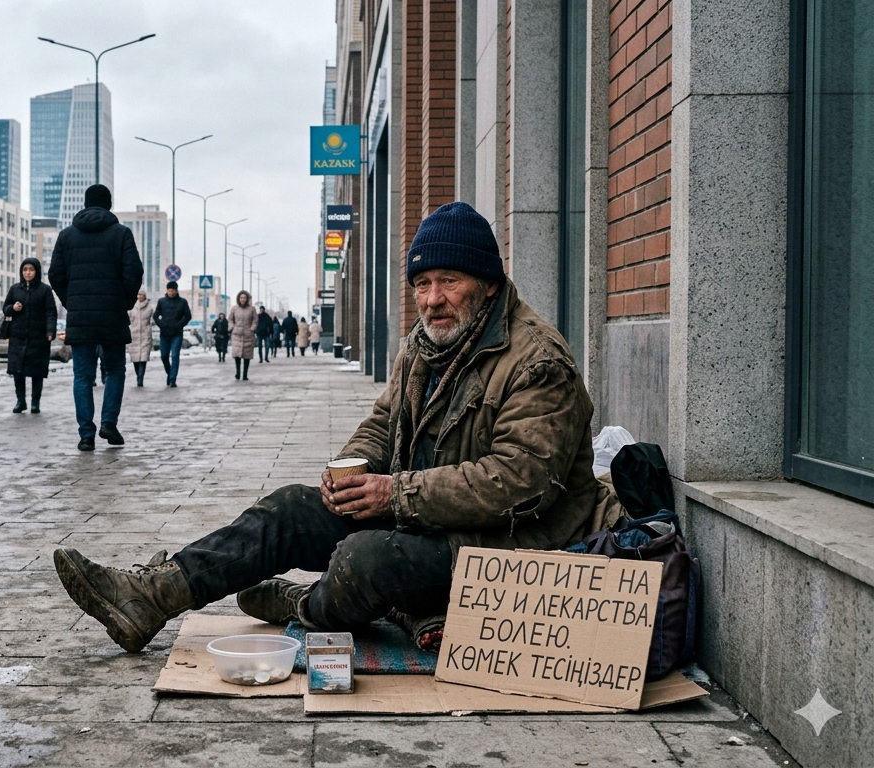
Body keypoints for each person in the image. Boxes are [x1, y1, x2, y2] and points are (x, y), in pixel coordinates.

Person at [52, 200, 624, 653]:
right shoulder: (427, 345)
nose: (432, 299)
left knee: (365, 559)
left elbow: (521, 480)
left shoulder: (537, 360)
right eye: (421, 285)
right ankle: (154, 594)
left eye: (448, 281)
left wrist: (392, 493)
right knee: (290, 509)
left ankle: (307, 606)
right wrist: (350, 471)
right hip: (429, 515)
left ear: (489, 284)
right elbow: (383, 420)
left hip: (519, 545)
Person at [48, 184, 144, 452]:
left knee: (82, 375)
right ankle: (109, 422)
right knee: (115, 370)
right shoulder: (122, 234)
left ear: (85, 203)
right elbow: (134, 272)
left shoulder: (67, 236)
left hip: (80, 317)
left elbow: (55, 274)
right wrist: (123, 302)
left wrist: (72, 302)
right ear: (109, 204)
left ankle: (86, 434)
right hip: (112, 315)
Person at [4, 256, 57, 414]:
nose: (28, 273)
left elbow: (51, 312)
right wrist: (13, 307)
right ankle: (21, 401)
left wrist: (50, 331)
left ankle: (35, 402)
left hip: (38, 338)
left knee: (37, 372)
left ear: (37, 272)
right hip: (17, 337)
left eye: (31, 270)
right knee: (17, 371)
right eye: (25, 270)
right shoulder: (15, 289)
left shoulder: (45, 290)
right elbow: (5, 308)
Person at [153, 281, 192, 388]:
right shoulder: (161, 301)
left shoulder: (182, 302)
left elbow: (188, 316)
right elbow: (155, 316)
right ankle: (170, 373)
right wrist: (162, 324)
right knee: (164, 356)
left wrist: (179, 325)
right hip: (164, 334)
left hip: (177, 334)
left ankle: (172, 379)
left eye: (173, 290)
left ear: (176, 290)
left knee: (175, 356)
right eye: (169, 290)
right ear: (167, 290)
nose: (171, 292)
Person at [227, 291, 256, 381]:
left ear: (247, 299)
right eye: (241, 298)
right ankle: (238, 372)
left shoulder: (252, 309)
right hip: (237, 334)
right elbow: (230, 319)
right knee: (237, 355)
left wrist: (252, 328)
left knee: (247, 356)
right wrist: (232, 328)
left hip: (248, 334)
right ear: (238, 299)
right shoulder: (234, 309)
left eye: (244, 298)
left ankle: (245, 374)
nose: (243, 299)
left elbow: (255, 320)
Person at [127, 290, 153, 387]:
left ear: (145, 296)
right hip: (134, 335)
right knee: (135, 360)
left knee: (143, 359)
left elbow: (153, 320)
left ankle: (140, 378)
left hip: (145, 335)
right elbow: (128, 320)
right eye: (138, 294)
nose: (140, 296)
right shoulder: (132, 307)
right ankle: (138, 375)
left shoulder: (150, 308)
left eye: (142, 294)